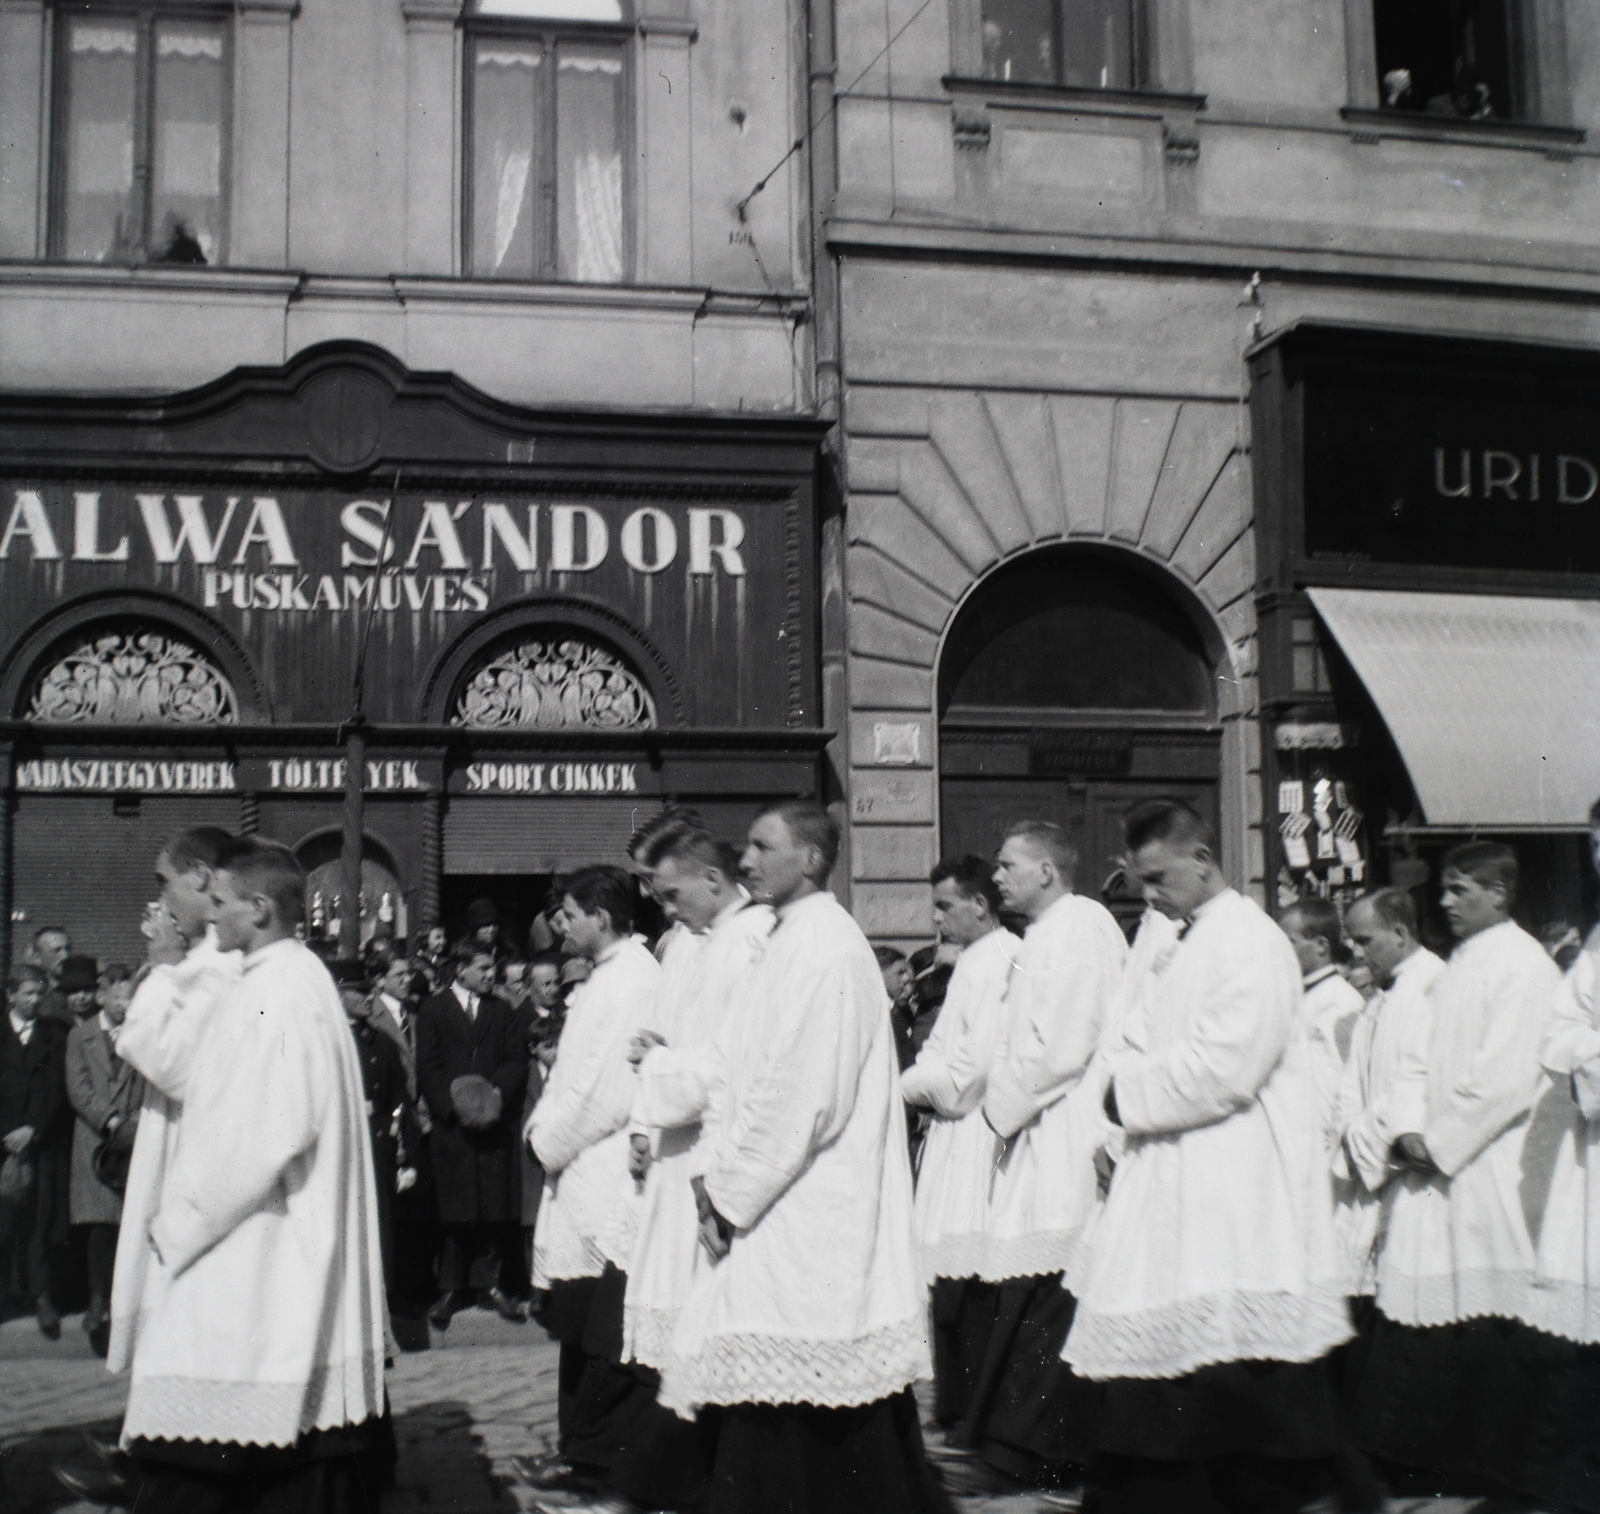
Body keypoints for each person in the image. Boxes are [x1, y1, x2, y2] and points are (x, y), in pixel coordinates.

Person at [657, 801, 950, 1514]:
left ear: (812, 859)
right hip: (781, 1198)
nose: (746, 861)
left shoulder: (824, 946)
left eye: (762, 846)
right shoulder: (789, 937)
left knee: (804, 1396)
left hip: (809, 1203)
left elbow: (803, 1096)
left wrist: (729, 1194)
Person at [1065, 799, 1351, 1514]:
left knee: (1224, 1363)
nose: (1150, 896)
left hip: (1232, 1175)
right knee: (1175, 1355)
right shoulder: (1179, 941)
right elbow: (1134, 1036)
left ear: (1202, 860)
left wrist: (1121, 1102)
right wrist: (1113, 1127)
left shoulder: (1249, 940)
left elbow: (1226, 1066)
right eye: (1140, 884)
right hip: (1173, 1169)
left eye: (1159, 878)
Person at [107, 836, 392, 1512]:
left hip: (259, 1235)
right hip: (270, 1227)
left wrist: (180, 1221)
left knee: (225, 1407)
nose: (212, 914)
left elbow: (268, 1124)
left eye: (224, 901)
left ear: (259, 909)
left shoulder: (274, 992)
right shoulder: (289, 977)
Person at [1349, 840, 1571, 1507]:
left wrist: (1438, 1142)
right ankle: (1414, 1461)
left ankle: (1476, 1466)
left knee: (1478, 1325)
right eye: (1443, 890)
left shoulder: (1526, 967)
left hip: (1487, 1168)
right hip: (1432, 1168)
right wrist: (1407, 1129)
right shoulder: (1453, 967)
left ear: (1500, 894)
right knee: (1418, 1317)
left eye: (1459, 890)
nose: (1444, 903)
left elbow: (1505, 1078)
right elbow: (1415, 1062)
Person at [962, 820, 1126, 1487]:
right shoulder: (1048, 933)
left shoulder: (1082, 927)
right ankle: (1021, 1443)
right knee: (1033, 1288)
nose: (996, 877)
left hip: (1067, 1126)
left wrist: (999, 1111)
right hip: (1039, 1126)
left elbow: (1063, 1043)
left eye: (1007, 866)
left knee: (1054, 1289)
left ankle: (1034, 1448)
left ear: (1047, 872)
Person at [522, 865, 663, 1503]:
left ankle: (604, 1463)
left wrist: (546, 1141)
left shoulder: (632, 979)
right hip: (582, 1175)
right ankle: (579, 1451)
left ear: (603, 919)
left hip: (607, 1177)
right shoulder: (605, 977)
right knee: (583, 1325)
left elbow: (607, 1091)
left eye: (572, 913)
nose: (562, 924)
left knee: (609, 1331)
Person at [103, 827, 243, 1394]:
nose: (160, 902)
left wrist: (162, 966)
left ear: (201, 878)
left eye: (166, 883)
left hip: (197, 1163)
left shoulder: (216, 966)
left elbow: (173, 1062)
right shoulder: (203, 960)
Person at [899, 857, 1019, 1432]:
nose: (936, 917)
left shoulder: (999, 962)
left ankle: (969, 1412)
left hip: (977, 1136)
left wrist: (910, 1085)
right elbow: (938, 1056)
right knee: (946, 1278)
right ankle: (956, 1409)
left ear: (979, 904)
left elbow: (965, 1075)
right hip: (953, 1132)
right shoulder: (974, 963)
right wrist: (929, 1074)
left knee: (964, 1278)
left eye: (946, 905)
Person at [1331, 888, 1443, 1301]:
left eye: (1364, 941)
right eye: (1352, 942)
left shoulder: (1435, 986)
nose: (1357, 953)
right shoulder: (1380, 998)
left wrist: (1364, 1135)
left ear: (1399, 933)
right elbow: (1349, 1085)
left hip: (1408, 1176)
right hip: (1369, 1171)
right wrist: (1350, 1129)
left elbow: (1418, 1087)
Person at [414, 945, 528, 1326]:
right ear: (460, 970)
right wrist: (453, 1108)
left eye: (491, 968)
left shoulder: (501, 1010)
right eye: (481, 968)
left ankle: (490, 1286)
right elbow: (427, 1066)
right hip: (453, 1130)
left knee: (493, 1208)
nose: (489, 975)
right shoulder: (434, 1009)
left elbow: (516, 1059)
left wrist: (495, 1096)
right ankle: (451, 1289)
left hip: (493, 1125)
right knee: (455, 1211)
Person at [64, 959, 145, 1356]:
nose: (125, 1007)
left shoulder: (141, 1034)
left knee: (129, 1224)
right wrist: (111, 1120)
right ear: (102, 996)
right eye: (119, 999)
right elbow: (78, 1090)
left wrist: (134, 1124)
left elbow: (148, 1080)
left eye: (130, 998)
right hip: (95, 1142)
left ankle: (124, 1303)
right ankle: (97, 1301)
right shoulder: (80, 1037)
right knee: (99, 1226)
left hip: (132, 1140)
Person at [0, 960, 70, 1339]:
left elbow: (55, 1087)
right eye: (27, 993)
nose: (34, 999)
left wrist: (33, 1128)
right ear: (10, 995)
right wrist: (7, 1133)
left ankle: (42, 1297)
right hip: (3, 1146)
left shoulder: (52, 1036)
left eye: (39, 993)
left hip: (38, 1145)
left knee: (39, 1225)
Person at [1281, 898, 1366, 1124]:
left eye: (1290, 942)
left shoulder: (1340, 1001)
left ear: (1321, 945)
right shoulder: (1300, 995)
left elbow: (1344, 1085)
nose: (1280, 950)